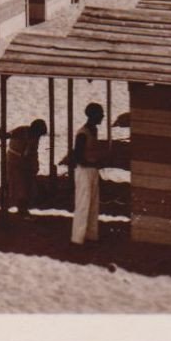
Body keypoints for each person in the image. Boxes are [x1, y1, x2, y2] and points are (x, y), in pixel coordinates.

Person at [69, 103, 107, 245]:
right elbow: (78, 158)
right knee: (83, 204)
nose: (102, 116)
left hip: (92, 170)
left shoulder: (93, 130)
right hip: (84, 171)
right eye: (100, 113)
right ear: (93, 115)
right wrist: (94, 164)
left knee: (93, 203)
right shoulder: (82, 133)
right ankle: (77, 239)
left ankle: (91, 235)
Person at [4, 118, 48, 217]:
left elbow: (32, 152)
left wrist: (35, 165)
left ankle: (23, 209)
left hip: (27, 163)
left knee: (29, 187)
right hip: (15, 162)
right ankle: (22, 210)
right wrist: (4, 134)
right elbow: (8, 135)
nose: (38, 136)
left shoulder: (35, 137)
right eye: (39, 134)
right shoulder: (22, 130)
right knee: (20, 187)